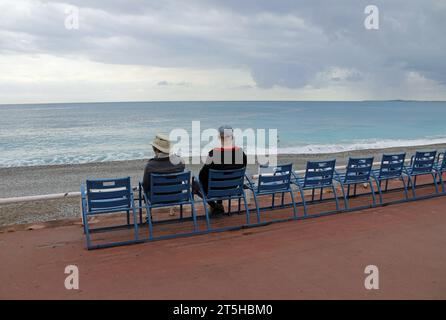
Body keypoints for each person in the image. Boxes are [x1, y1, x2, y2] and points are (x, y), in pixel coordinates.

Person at [195, 125, 247, 214]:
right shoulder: (241, 154)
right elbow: (243, 170)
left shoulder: (213, 154)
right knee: (220, 180)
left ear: (219, 137)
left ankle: (214, 205)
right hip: (233, 188)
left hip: (213, 189)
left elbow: (202, 176)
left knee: (194, 185)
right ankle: (218, 205)